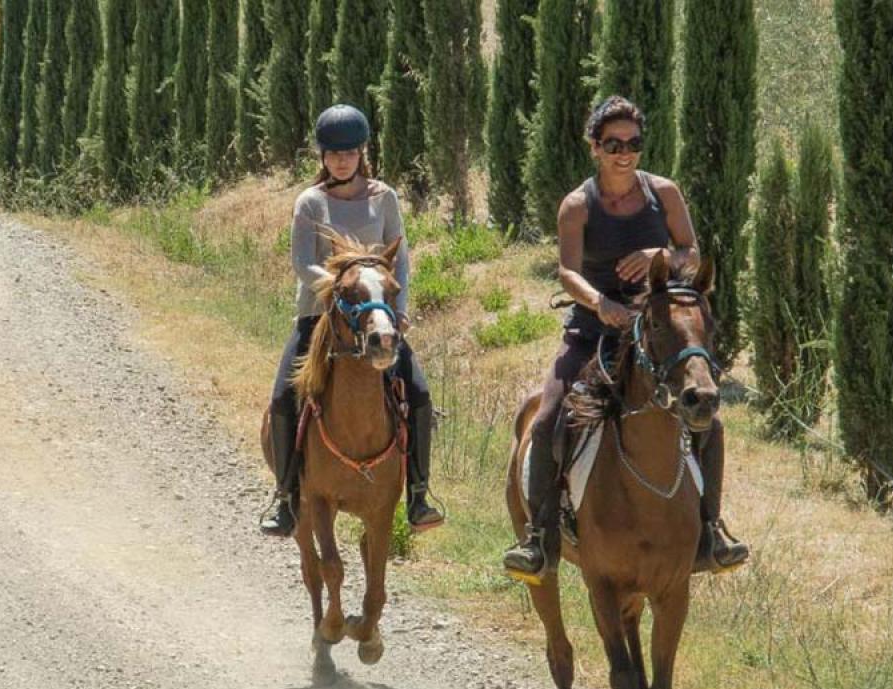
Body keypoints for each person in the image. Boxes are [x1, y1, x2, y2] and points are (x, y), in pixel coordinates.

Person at [501, 95, 749, 580]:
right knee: (549, 417)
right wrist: (601, 304)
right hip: (595, 333)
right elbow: (568, 272)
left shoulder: (665, 193)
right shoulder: (578, 205)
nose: (625, 152)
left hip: (656, 334)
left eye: (634, 143)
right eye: (613, 143)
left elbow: (691, 254)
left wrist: (662, 252)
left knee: (709, 422)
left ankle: (710, 531)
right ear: (594, 146)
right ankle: (538, 539)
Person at [262, 104, 445, 535]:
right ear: (322, 157)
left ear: (363, 153)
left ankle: (419, 493)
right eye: (333, 153)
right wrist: (342, 288)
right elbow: (303, 263)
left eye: (350, 152)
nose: (342, 160)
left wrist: (396, 312)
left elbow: (399, 261)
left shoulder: (384, 198)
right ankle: (287, 497)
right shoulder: (311, 202)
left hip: (378, 318)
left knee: (418, 392)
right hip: (321, 318)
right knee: (281, 398)